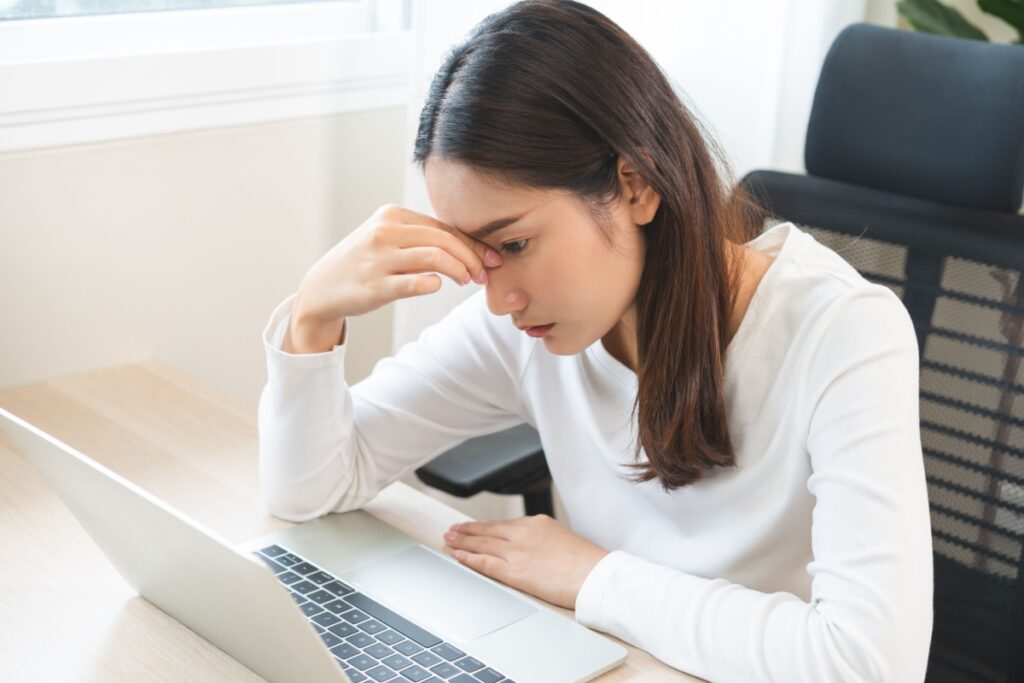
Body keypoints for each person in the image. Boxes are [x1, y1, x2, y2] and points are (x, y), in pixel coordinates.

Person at [258, 1, 933, 680]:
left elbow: (867, 663)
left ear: (634, 185)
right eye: (477, 252)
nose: (497, 297)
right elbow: (311, 488)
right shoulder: (525, 326)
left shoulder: (843, 333)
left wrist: (595, 577)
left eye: (514, 243)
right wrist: (314, 314)